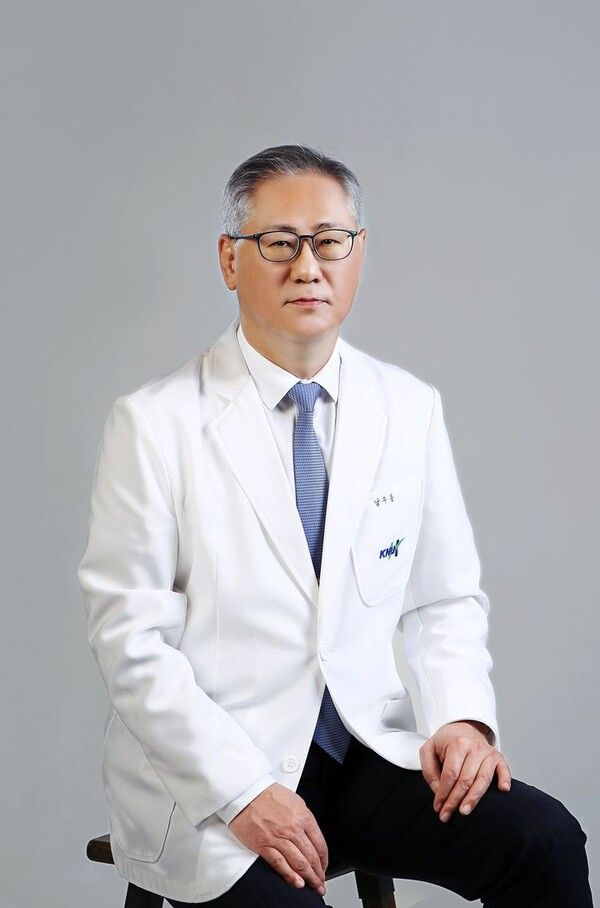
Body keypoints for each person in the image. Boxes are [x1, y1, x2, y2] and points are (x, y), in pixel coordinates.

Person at [77, 144, 593, 906]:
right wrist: (243, 790)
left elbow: (442, 600)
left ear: (358, 253)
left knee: (544, 841)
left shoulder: (407, 407)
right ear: (229, 259)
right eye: (278, 243)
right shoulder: (155, 424)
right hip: (214, 780)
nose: (308, 267)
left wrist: (460, 720)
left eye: (329, 241)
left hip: (361, 754)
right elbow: (132, 645)